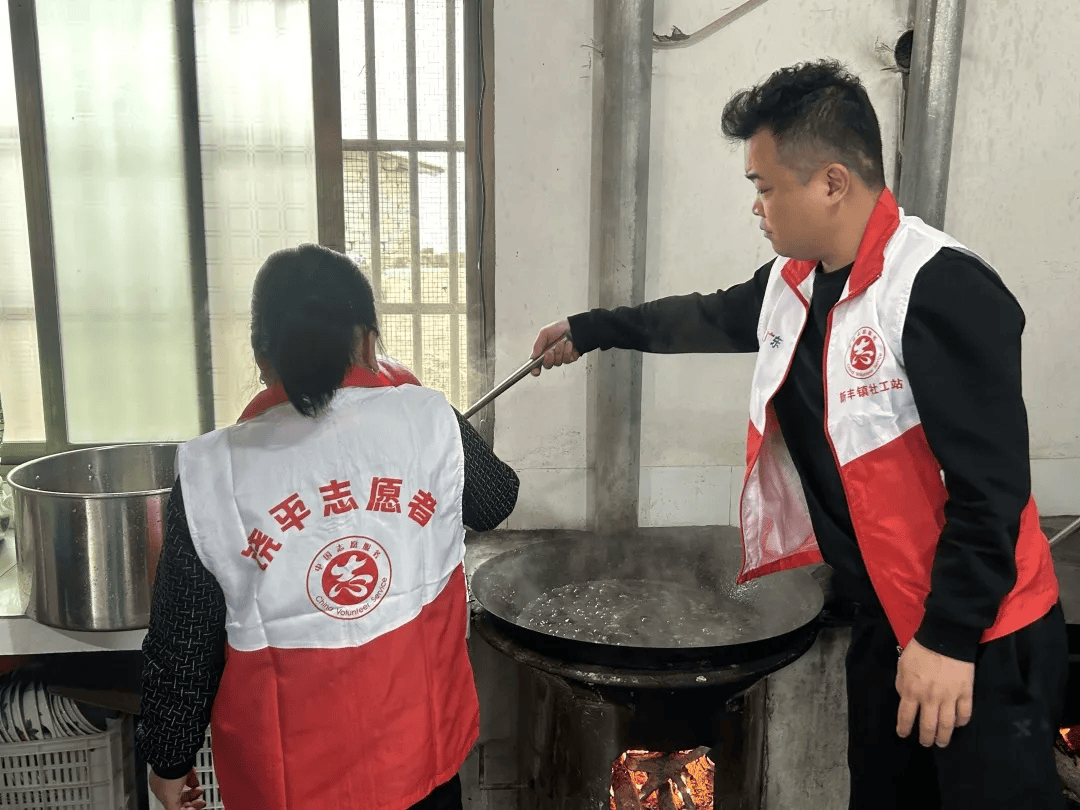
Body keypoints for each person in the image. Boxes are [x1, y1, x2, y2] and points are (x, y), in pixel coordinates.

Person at [531, 60, 1066, 809]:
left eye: (765, 187)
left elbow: (992, 491)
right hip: (887, 618)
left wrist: (948, 639)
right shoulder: (796, 284)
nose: (757, 207)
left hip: (980, 633)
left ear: (832, 183)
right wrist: (589, 330)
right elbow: (700, 316)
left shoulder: (939, 288)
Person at [137, 244, 520, 810]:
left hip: (289, 784)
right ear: (367, 342)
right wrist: (418, 413)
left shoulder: (213, 470)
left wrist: (169, 758)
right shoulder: (429, 420)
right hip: (419, 759)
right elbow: (497, 499)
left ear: (262, 356)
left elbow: (184, 641)